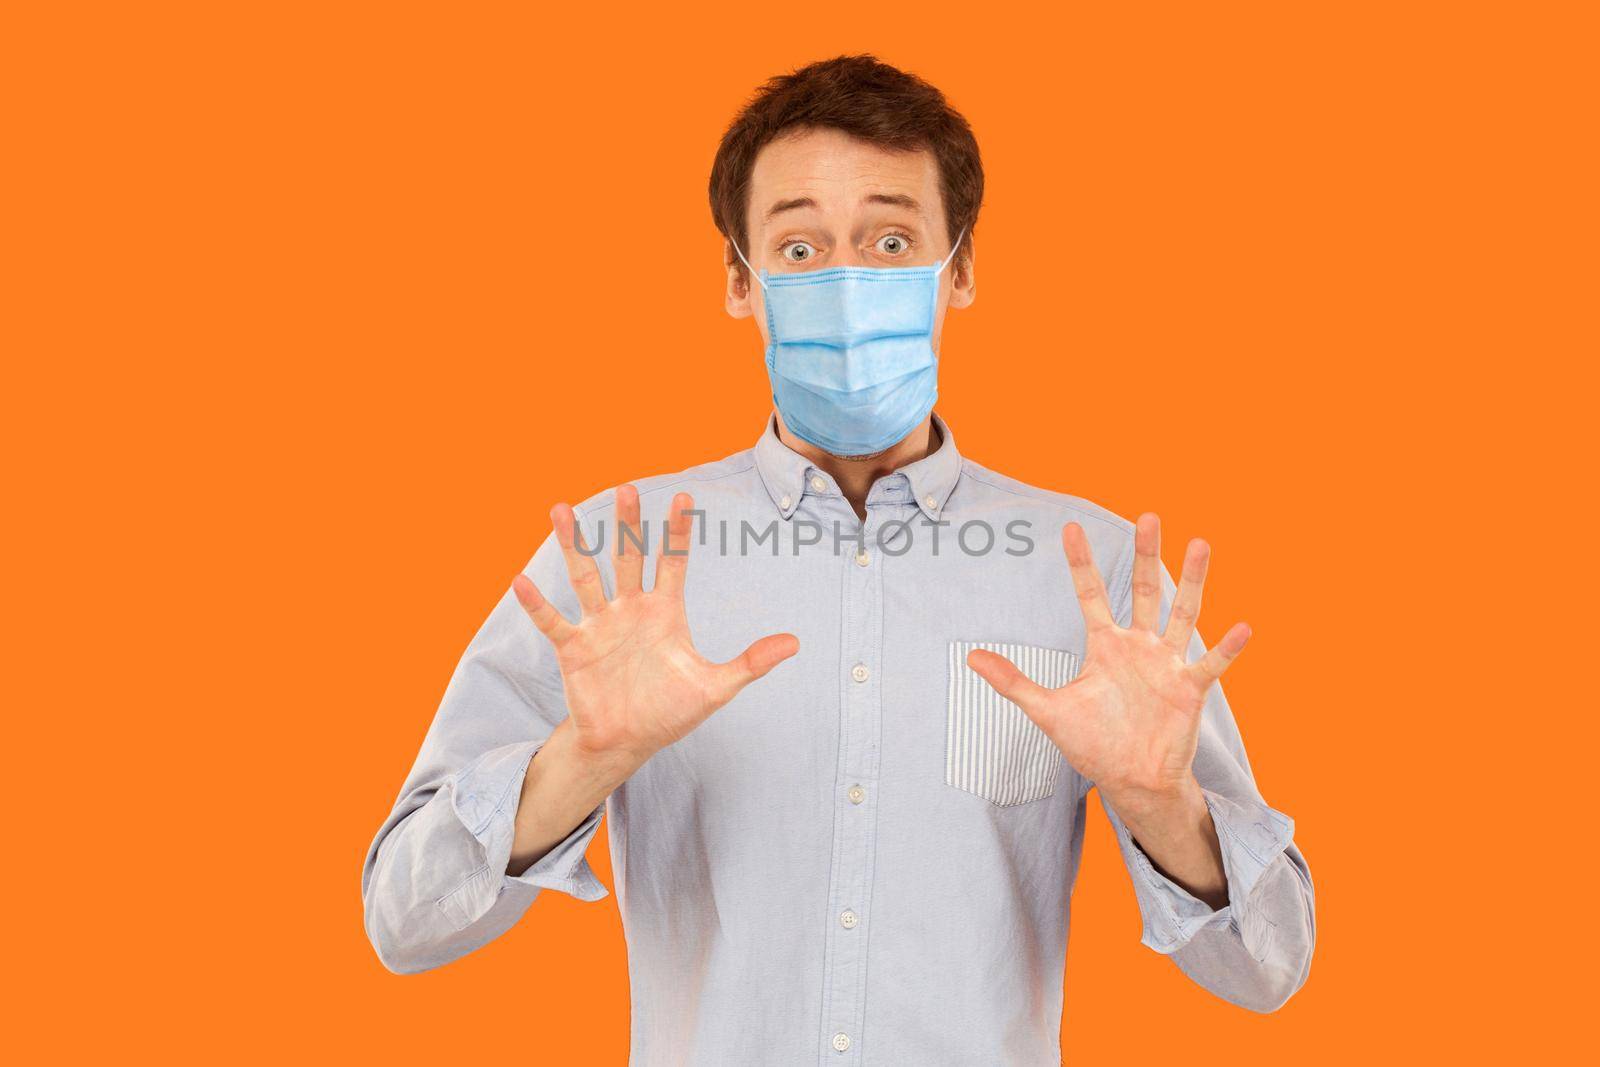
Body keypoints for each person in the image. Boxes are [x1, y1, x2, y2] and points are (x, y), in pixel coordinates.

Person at [361, 53, 1315, 1064]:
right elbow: (404, 921)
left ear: (960, 268)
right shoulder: (618, 555)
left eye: (891, 239)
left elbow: (1266, 967)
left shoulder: (1091, 572)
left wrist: (1160, 800)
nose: (849, 282)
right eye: (802, 245)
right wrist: (582, 761)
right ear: (740, 277)